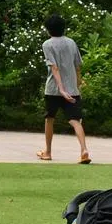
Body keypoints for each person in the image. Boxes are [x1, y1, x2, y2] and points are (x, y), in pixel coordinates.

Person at [37, 14, 90, 164]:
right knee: (75, 120)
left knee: (49, 119)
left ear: (48, 30)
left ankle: (47, 152)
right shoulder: (71, 43)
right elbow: (78, 65)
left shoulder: (47, 44)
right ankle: (84, 150)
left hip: (53, 89)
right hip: (72, 89)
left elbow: (54, 67)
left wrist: (61, 89)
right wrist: (77, 84)